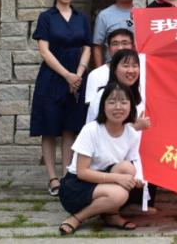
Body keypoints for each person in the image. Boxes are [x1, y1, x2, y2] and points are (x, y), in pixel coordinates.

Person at [30, 0, 92, 197]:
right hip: (52, 77)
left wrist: (78, 75)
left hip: (77, 77)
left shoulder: (81, 17)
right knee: (49, 128)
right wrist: (67, 75)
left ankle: (66, 175)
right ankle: (52, 177)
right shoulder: (46, 17)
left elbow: (87, 47)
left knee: (70, 128)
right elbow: (44, 51)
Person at [58, 82, 145, 234]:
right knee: (119, 194)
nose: (118, 107)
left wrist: (137, 180)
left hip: (102, 181)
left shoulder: (131, 134)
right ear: (103, 106)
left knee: (128, 168)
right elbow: (82, 172)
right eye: (112, 102)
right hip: (77, 186)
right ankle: (77, 218)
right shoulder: (91, 130)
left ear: (131, 106)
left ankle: (111, 215)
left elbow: (129, 166)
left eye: (124, 102)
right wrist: (118, 178)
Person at [84, 29, 135, 123]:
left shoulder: (139, 72)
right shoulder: (95, 75)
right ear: (108, 48)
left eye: (125, 43)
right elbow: (93, 110)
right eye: (115, 44)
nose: (120, 48)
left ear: (133, 46)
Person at [86, 48, 145, 124]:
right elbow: (96, 127)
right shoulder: (103, 94)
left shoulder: (141, 94)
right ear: (114, 69)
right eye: (126, 66)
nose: (131, 70)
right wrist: (134, 128)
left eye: (134, 66)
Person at [92, 0, 136, 67]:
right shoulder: (104, 15)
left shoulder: (143, 13)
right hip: (112, 67)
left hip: (136, 67)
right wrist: (99, 71)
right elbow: (97, 46)